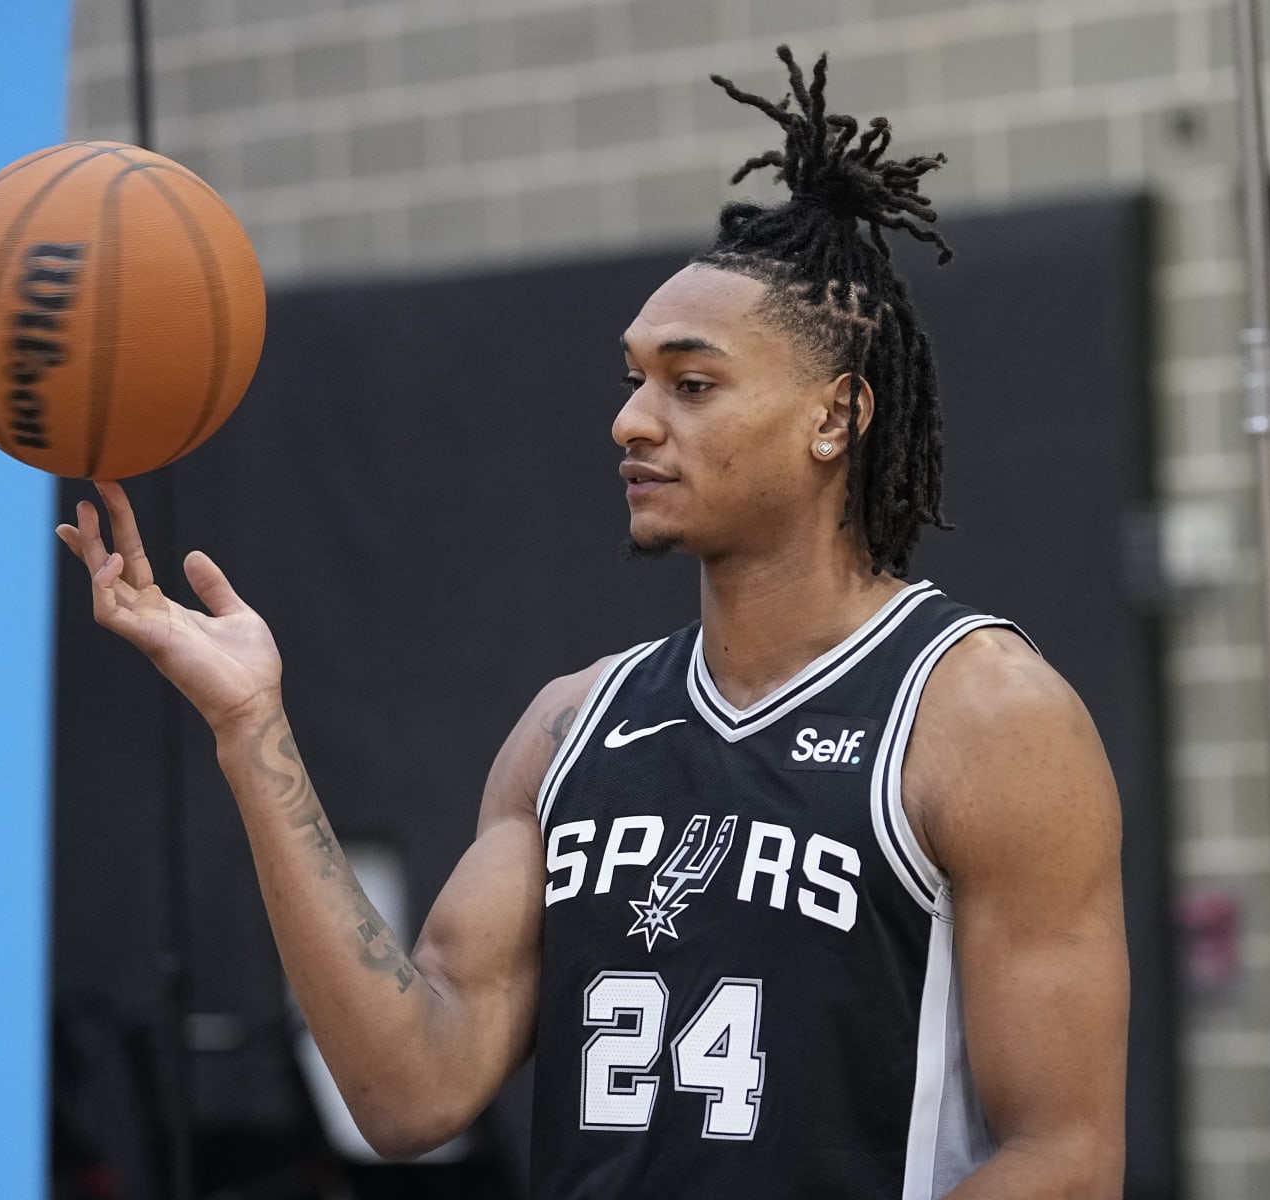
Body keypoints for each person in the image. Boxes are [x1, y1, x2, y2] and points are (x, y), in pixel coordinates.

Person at [58, 47, 1127, 1200]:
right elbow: (406, 1092)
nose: (632, 421)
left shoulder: (984, 717)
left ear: (835, 416)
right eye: (633, 380)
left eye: (691, 384)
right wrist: (250, 729)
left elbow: (1066, 1158)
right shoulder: (569, 730)